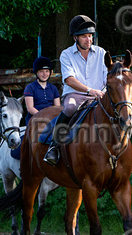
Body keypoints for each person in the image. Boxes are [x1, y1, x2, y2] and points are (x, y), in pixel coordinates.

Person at [44, 15, 107, 166]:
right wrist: (90, 90)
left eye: (90, 36)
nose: (88, 39)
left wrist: (103, 92)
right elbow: (69, 79)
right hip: (75, 95)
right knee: (70, 107)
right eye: (84, 36)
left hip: (99, 95)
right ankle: (54, 146)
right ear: (75, 38)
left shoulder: (101, 53)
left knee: (117, 110)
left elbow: (107, 76)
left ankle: (122, 151)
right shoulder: (66, 54)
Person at [24, 56, 61, 126]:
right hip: (35, 118)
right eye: (41, 71)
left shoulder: (53, 88)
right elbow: (30, 108)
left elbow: (57, 107)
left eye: (47, 71)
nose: (44, 74)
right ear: (36, 72)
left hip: (51, 118)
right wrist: (43, 117)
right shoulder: (30, 87)